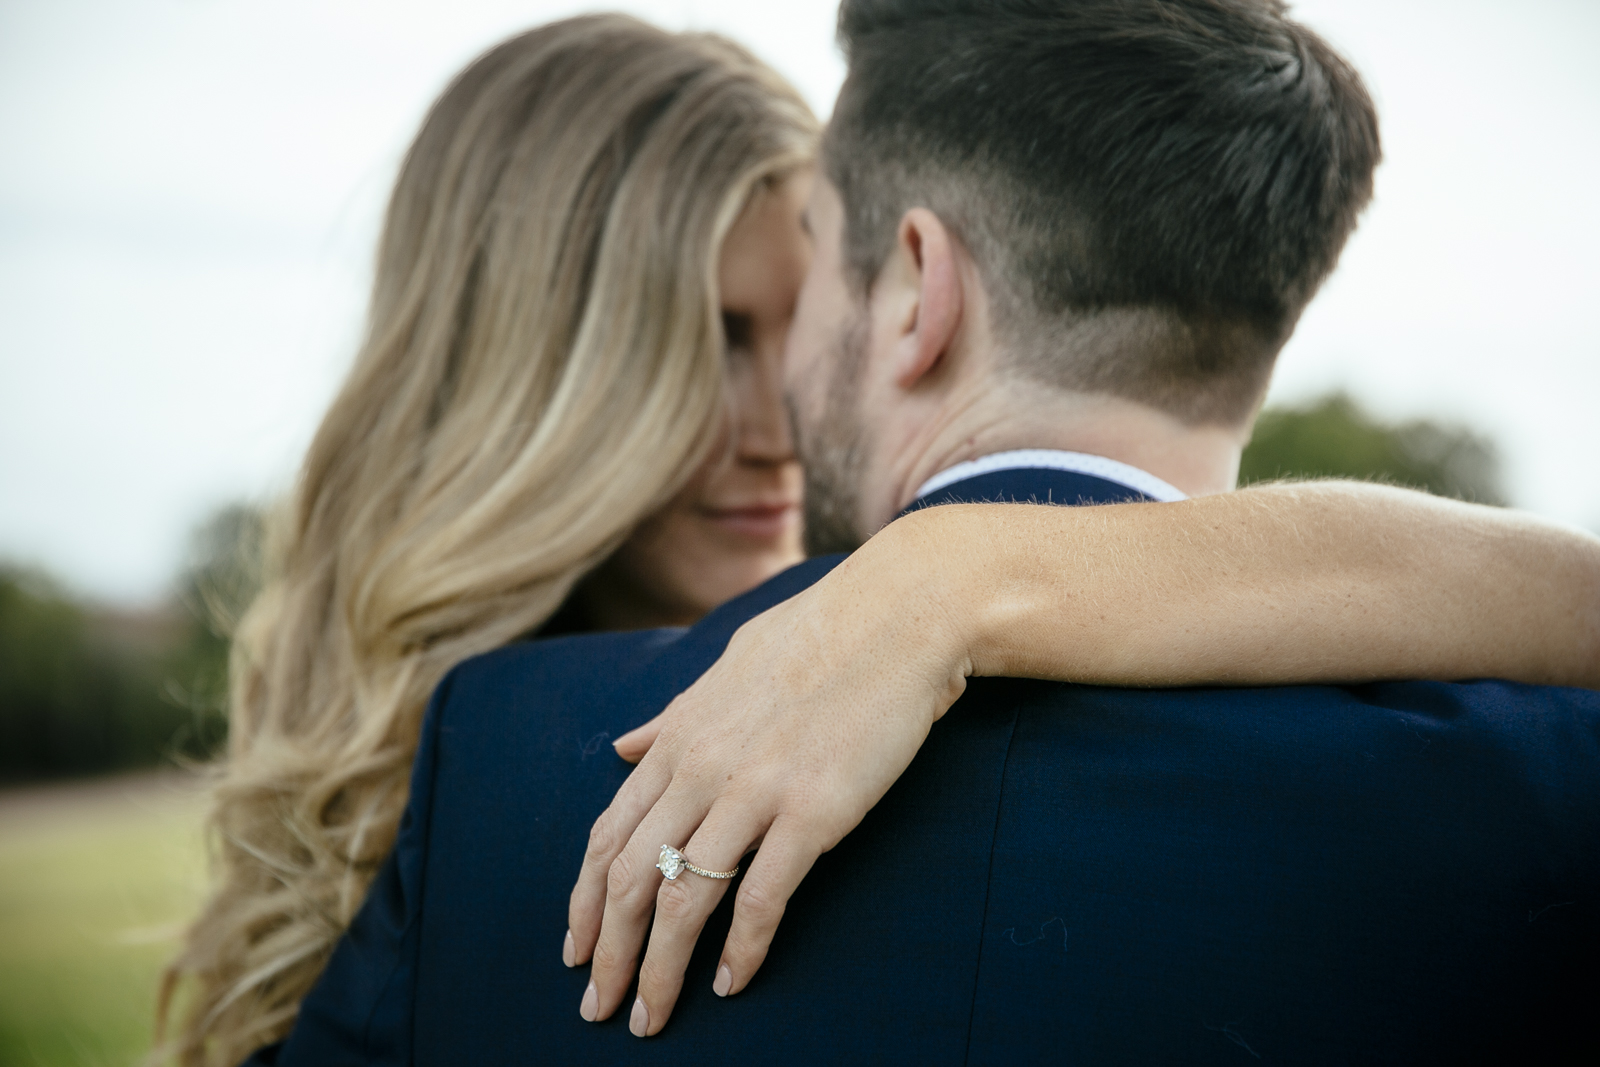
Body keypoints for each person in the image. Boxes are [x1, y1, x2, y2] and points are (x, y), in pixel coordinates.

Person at [257, 2, 1600, 1064]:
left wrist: (966, 573)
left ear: (914, 291)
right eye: (707, 339)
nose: (778, 410)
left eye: (799, 309)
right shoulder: (475, 749)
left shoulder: (498, 750)